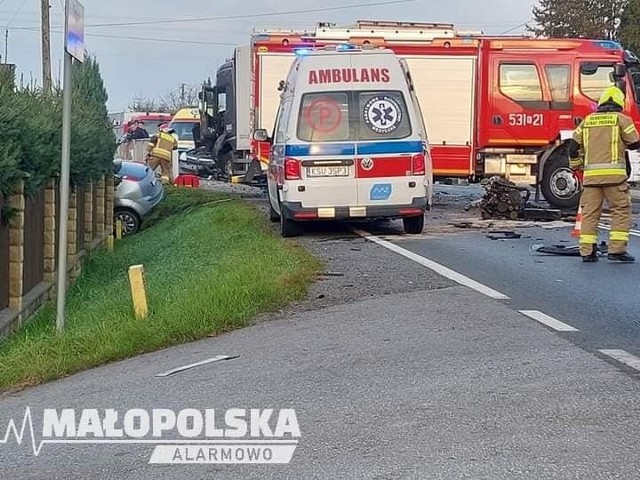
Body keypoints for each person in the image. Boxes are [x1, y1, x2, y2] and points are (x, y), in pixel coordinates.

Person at [568, 85, 640, 263]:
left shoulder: (587, 121)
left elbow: (573, 147)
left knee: (590, 214)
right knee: (620, 211)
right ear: (619, 103)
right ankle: (616, 250)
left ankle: (587, 251)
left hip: (591, 179)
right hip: (615, 179)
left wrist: (575, 166)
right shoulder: (622, 120)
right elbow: (635, 143)